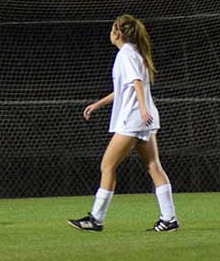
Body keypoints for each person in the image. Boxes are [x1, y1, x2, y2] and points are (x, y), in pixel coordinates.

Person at [68, 14, 179, 233]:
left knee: (107, 166)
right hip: (144, 119)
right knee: (153, 166)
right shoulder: (134, 54)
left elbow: (136, 83)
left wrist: (142, 108)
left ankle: (95, 219)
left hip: (134, 119)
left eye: (112, 29)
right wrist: (98, 104)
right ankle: (169, 219)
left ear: (118, 32)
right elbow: (124, 88)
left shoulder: (126, 55)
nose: (110, 33)